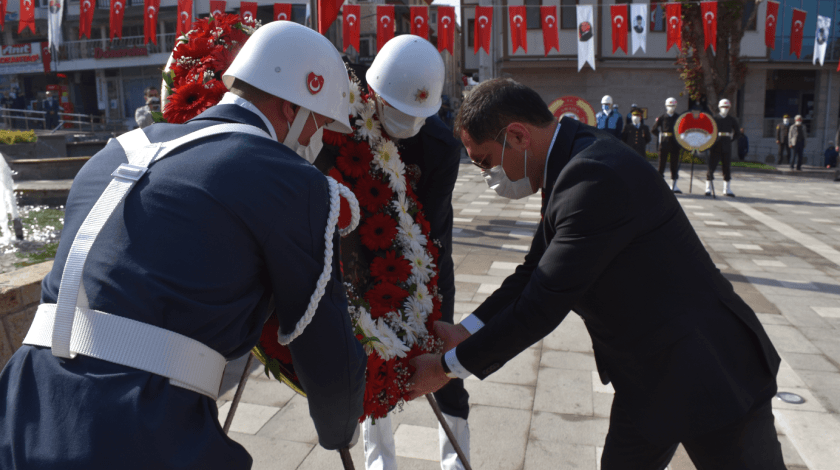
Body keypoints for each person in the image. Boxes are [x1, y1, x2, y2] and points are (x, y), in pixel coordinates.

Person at [0, 21, 366, 469]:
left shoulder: (116, 151)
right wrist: (339, 431)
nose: (317, 141)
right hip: (140, 428)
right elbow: (329, 359)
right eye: (320, 124)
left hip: (23, 410)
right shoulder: (292, 182)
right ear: (291, 109)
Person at [406, 78, 784, 470]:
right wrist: (466, 331)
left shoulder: (593, 176)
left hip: (710, 373)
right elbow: (533, 271)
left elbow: (541, 305)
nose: (488, 176)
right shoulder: (572, 159)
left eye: (485, 161)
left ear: (517, 136)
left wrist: (446, 368)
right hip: (647, 376)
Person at [315, 35, 468, 470]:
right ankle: (380, 461)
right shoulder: (347, 117)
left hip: (424, 260)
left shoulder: (441, 146)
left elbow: (432, 225)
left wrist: (418, 293)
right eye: (396, 112)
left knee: (443, 366)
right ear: (373, 94)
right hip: (357, 258)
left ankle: (455, 459)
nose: (406, 125)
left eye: (417, 117)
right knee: (370, 360)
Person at [707, 98, 740, 197]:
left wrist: (730, 140)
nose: (725, 109)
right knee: (711, 166)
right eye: (723, 107)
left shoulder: (731, 119)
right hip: (715, 145)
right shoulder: (715, 118)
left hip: (726, 144)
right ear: (719, 107)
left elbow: (737, 133)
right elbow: (709, 130)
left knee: (726, 167)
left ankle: (727, 189)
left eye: (726, 107)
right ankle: (708, 188)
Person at [651, 97, 681, 193]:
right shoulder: (662, 117)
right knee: (661, 164)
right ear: (666, 106)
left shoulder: (678, 117)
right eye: (669, 105)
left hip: (675, 143)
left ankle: (674, 185)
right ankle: (660, 184)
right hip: (664, 143)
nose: (671, 107)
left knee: (674, 164)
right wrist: (660, 135)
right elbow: (653, 129)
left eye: (673, 106)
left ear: (675, 106)